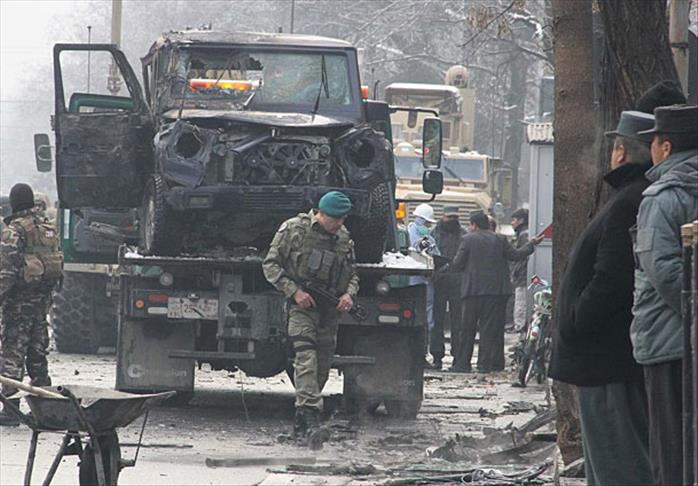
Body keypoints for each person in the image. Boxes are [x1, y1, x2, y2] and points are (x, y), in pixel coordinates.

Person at [548, 110, 657, 485]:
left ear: (621, 152)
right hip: (605, 359)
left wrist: (576, 322)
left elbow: (612, 280)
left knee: (619, 466)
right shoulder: (629, 197)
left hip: (606, 360)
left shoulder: (629, 201)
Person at [630, 104, 698, 485]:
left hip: (668, 343)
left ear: (666, 147)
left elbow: (664, 271)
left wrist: (692, 313)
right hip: (683, 340)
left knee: (670, 452)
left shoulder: (661, 197)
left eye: (653, 142)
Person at [263, 191, 359, 440]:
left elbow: (353, 274)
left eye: (343, 219)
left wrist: (348, 295)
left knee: (322, 366)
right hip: (302, 308)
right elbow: (270, 265)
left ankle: (300, 423)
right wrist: (295, 292)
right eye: (335, 219)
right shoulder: (294, 230)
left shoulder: (343, 237)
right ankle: (309, 415)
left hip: (329, 311)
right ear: (321, 214)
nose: (339, 224)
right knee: (306, 357)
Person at [0, 183, 63, 426]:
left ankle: (10, 410)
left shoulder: (15, 231)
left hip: (18, 304)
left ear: (14, 203)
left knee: (12, 355)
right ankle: (46, 410)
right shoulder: (46, 228)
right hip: (41, 302)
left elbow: (7, 273)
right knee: (38, 355)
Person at [451, 211, 542, 372]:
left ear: (474, 225)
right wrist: (531, 244)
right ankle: (484, 365)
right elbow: (515, 255)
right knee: (488, 330)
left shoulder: (467, 239)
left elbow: (457, 263)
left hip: (472, 291)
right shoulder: (500, 239)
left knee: (467, 329)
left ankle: (462, 364)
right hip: (495, 292)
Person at [430, 207, 465, 370]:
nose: (452, 220)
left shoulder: (463, 234)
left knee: (458, 321)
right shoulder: (434, 233)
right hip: (439, 280)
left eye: (455, 217)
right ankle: (437, 356)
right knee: (437, 319)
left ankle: (457, 356)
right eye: (449, 217)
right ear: (443, 217)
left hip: (457, 280)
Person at [407, 203, 440, 365]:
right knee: (420, 319)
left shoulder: (428, 238)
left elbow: (436, 254)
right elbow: (414, 251)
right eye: (426, 223)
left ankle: (422, 354)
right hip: (417, 279)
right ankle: (416, 354)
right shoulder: (411, 233)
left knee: (427, 320)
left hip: (426, 280)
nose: (427, 226)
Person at [509, 209, 530, 332]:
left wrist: (516, 272)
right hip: (521, 274)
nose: (512, 223)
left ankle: (519, 326)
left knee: (520, 301)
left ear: (521, 220)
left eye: (514, 220)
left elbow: (520, 256)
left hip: (522, 275)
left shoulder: (523, 235)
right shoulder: (523, 234)